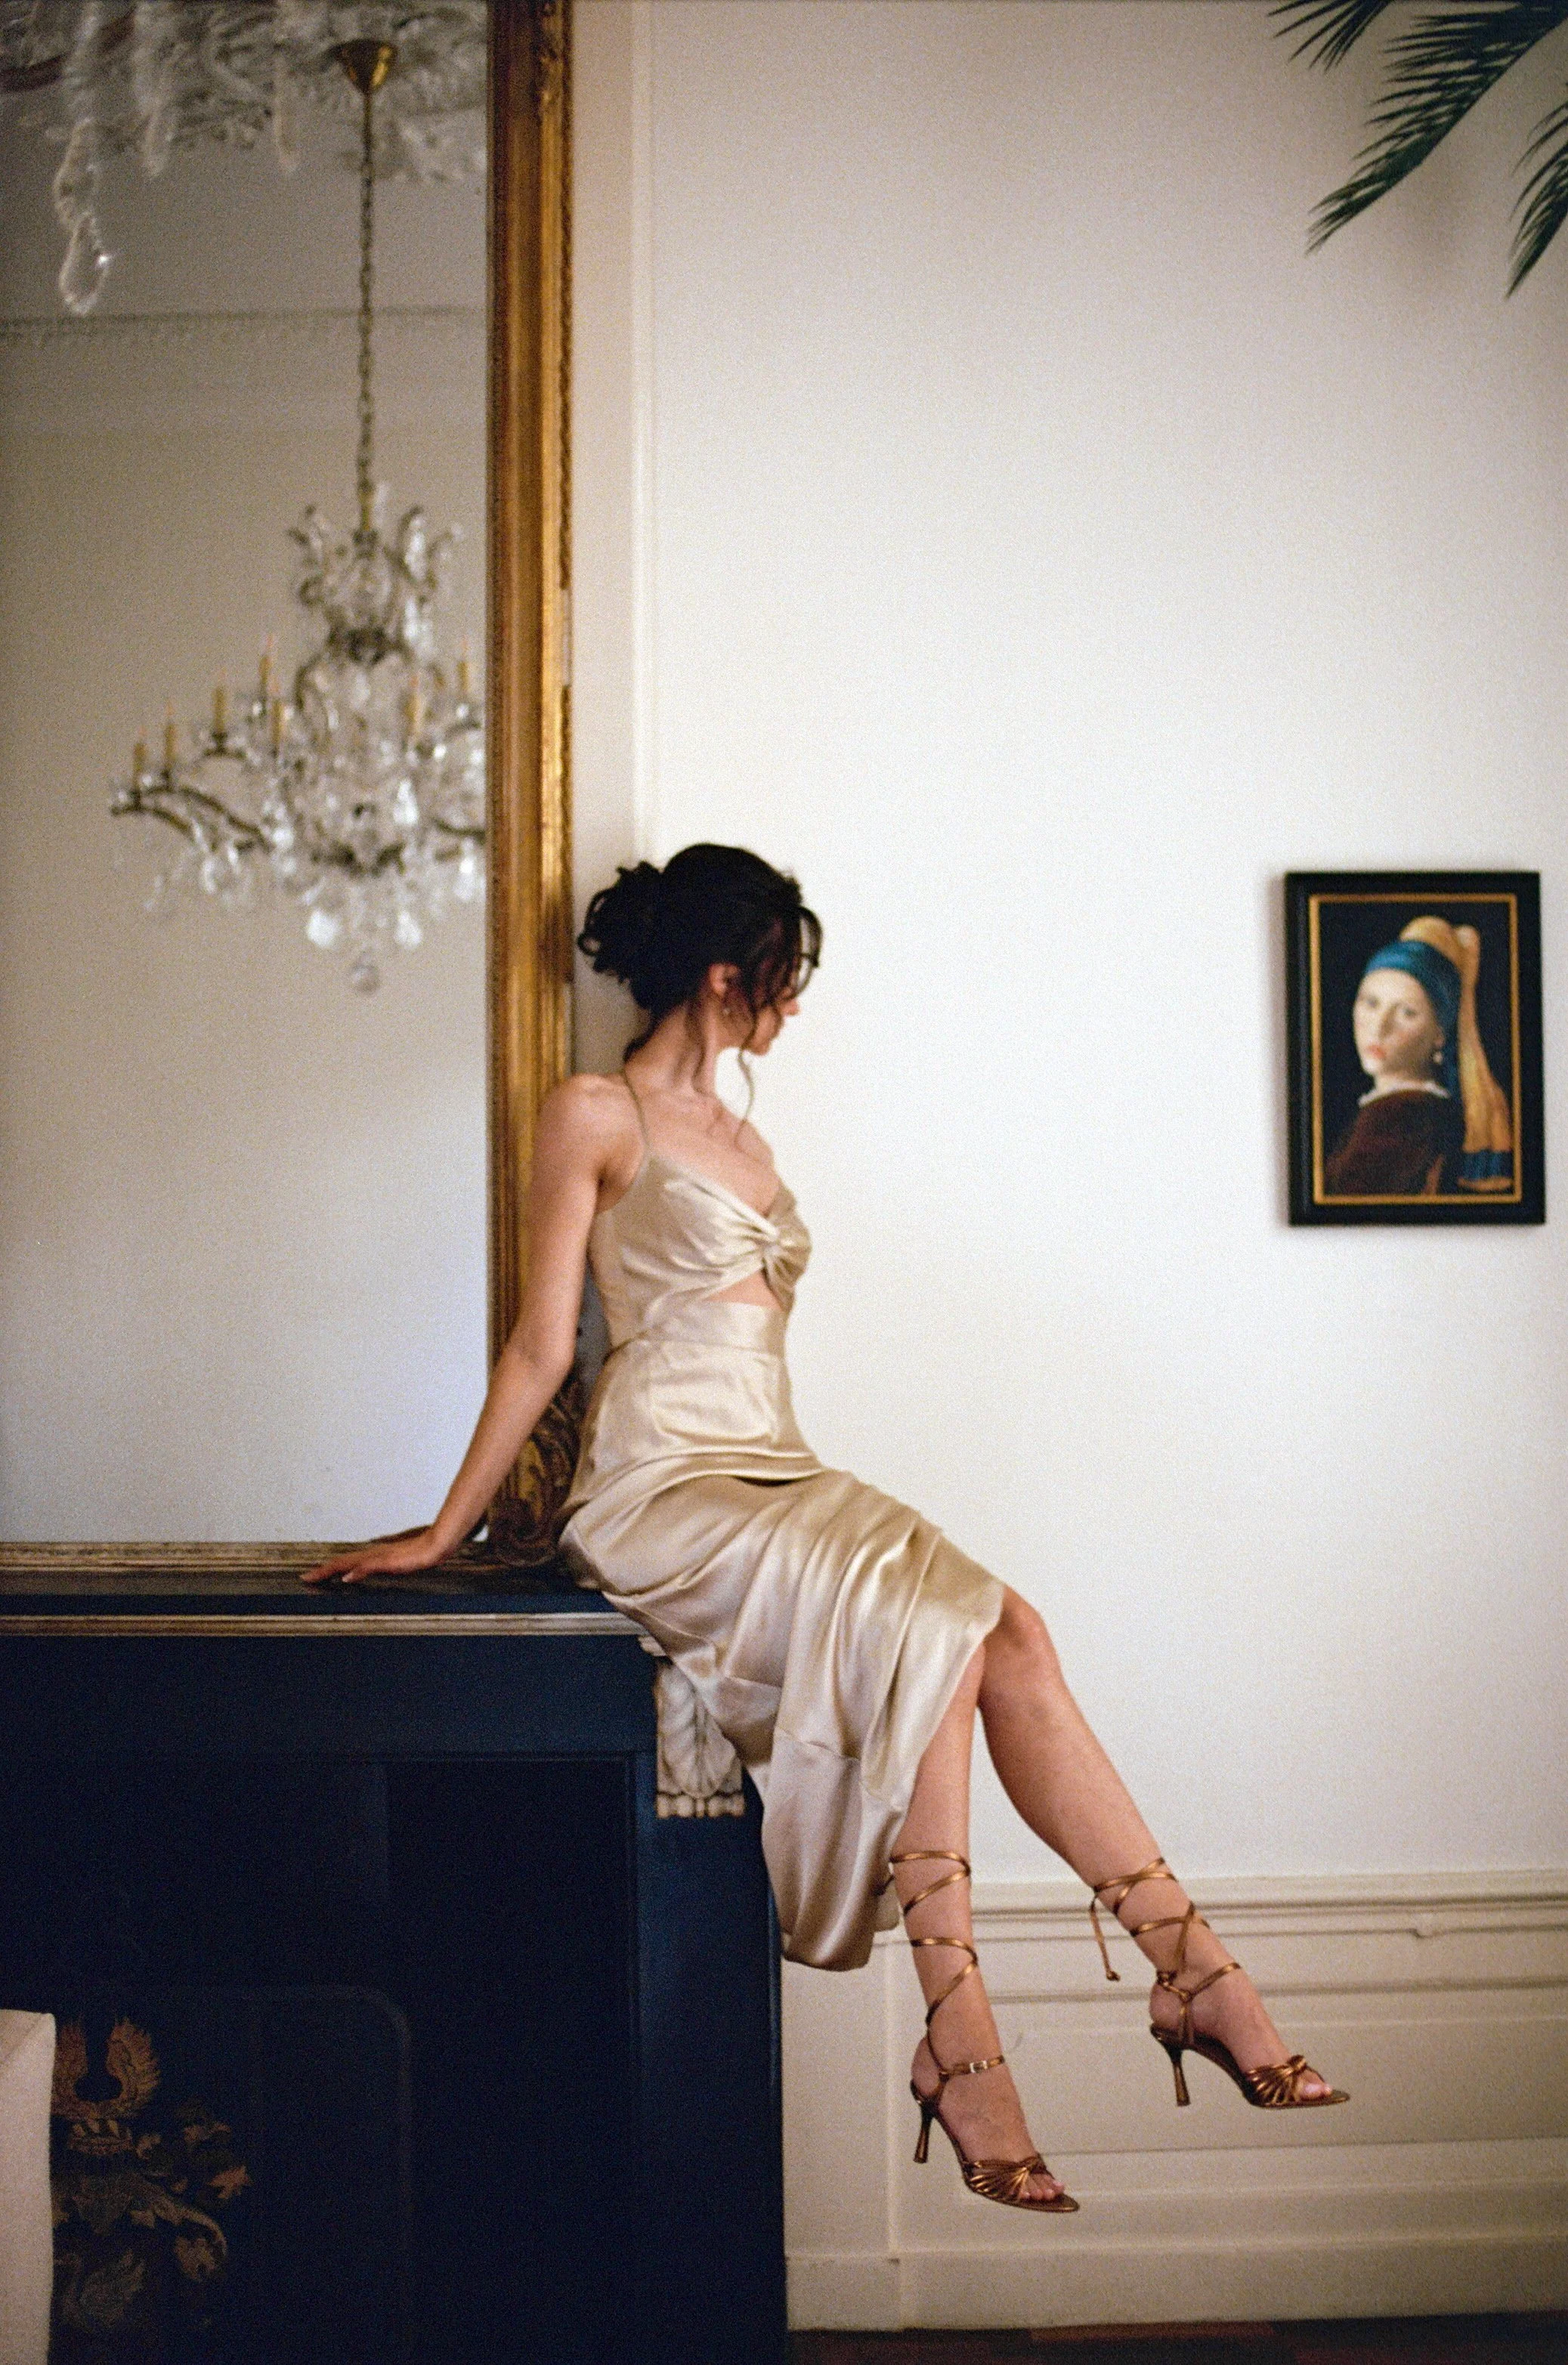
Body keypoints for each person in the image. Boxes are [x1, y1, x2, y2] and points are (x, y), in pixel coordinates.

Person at [305, 842, 1346, 2215]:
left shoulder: (751, 1142)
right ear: (728, 979)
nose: (789, 1018)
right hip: (665, 1480)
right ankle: (970, 2036)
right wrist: (447, 1532)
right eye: (781, 990)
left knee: (1009, 1628)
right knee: (942, 1631)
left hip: (774, 1464)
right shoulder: (594, 1113)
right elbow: (542, 1347)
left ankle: (1192, 1971)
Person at [1325, 916, 1513, 1198]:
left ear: (1440, 1033)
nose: (1379, 1026)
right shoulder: (1392, 1110)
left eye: (1407, 1012)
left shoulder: (1403, 1119)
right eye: (1371, 1003)